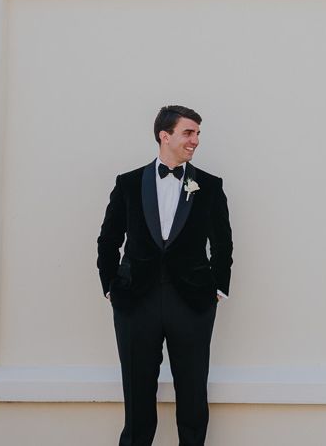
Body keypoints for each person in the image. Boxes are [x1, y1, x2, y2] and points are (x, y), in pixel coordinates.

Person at [97, 105, 233, 446]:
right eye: (189, 132)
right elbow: (109, 239)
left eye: (198, 133)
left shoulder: (210, 186)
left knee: (192, 396)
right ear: (165, 135)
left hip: (192, 303)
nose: (196, 140)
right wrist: (111, 288)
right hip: (135, 302)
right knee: (137, 395)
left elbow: (223, 241)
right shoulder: (127, 183)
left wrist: (217, 289)